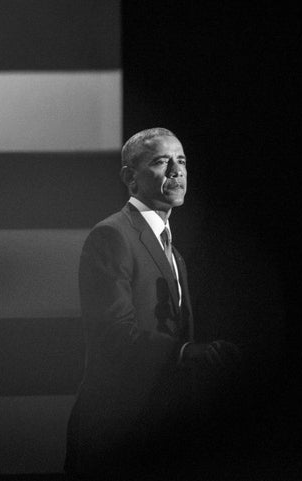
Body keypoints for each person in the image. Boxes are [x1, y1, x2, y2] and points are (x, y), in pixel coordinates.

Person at [65, 128, 243, 481]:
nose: (177, 171)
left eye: (182, 161)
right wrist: (186, 352)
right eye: (162, 161)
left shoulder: (173, 253)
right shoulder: (112, 236)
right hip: (117, 435)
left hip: (164, 439)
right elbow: (113, 336)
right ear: (130, 178)